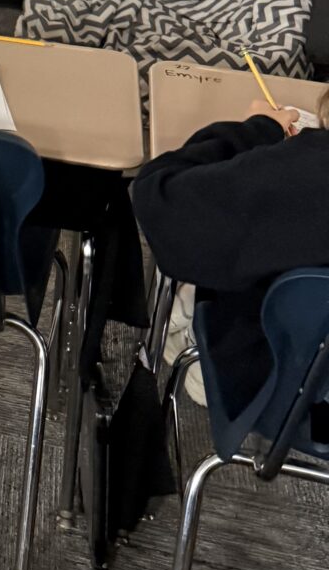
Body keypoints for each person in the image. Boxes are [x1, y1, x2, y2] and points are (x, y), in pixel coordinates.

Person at [133, 92, 329, 419]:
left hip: (269, 390)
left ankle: (191, 333)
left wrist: (256, 130)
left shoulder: (307, 169)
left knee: (242, 236)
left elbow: (158, 198)